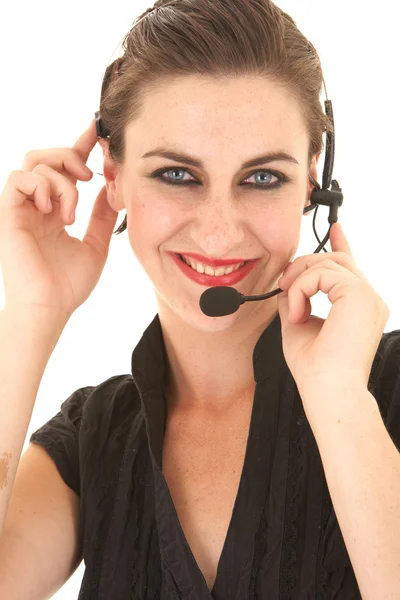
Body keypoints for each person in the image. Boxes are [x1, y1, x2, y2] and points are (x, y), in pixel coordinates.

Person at [0, 1, 399, 599]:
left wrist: (342, 400)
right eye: (178, 175)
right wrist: (32, 312)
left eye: (262, 177)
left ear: (314, 181)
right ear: (112, 175)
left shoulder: (385, 390)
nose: (219, 232)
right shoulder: (95, 437)